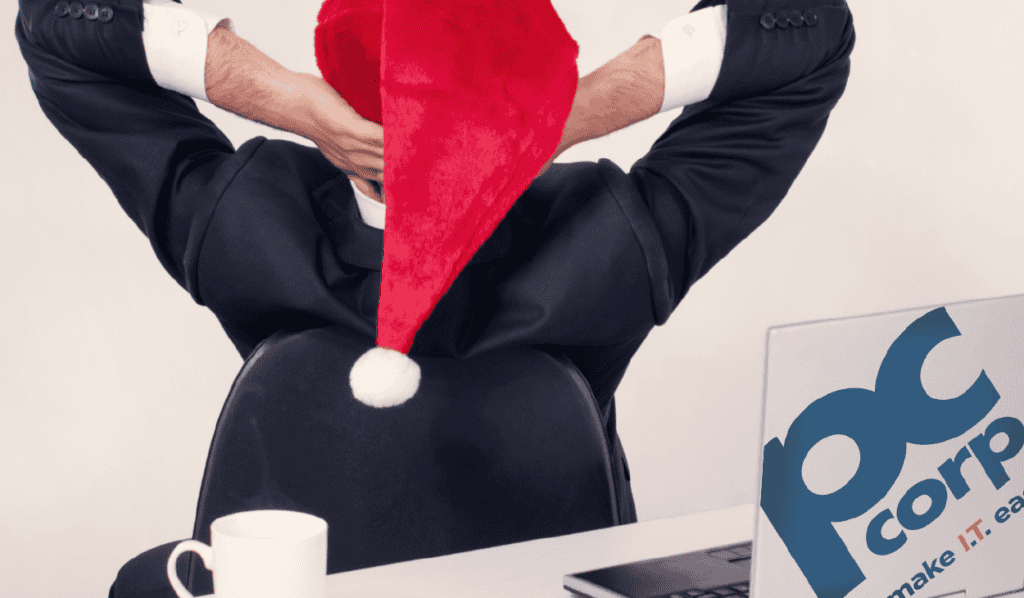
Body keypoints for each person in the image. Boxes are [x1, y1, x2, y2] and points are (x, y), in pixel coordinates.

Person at [16, 0, 854, 593]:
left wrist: (557, 117)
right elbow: (806, 35)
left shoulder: (251, 219)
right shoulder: (607, 238)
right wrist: (553, 115)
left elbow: (62, 27)